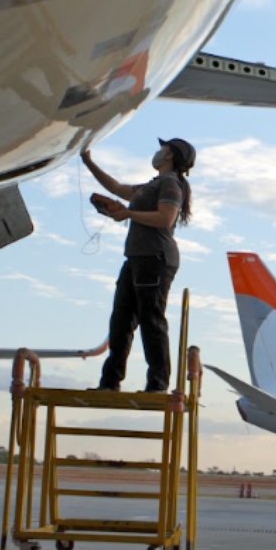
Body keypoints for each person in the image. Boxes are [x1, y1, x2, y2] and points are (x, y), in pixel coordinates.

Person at [81, 138, 194, 392]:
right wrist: (89, 162)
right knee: (120, 321)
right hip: (137, 258)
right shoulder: (152, 186)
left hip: (155, 259)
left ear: (170, 156)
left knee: (150, 319)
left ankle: (158, 383)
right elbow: (117, 187)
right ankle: (110, 382)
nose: (158, 151)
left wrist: (129, 214)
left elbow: (166, 218)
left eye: (163, 148)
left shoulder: (171, 185)